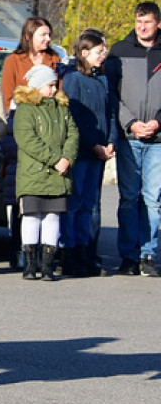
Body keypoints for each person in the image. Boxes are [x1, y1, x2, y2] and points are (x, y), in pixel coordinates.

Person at [104, 1, 161, 277]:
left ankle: (148, 254)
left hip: (158, 139)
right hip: (129, 137)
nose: (142, 26)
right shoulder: (119, 51)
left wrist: (157, 122)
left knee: (153, 199)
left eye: (147, 21)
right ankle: (128, 255)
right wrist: (131, 123)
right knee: (129, 198)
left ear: (158, 23)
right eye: (139, 21)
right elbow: (111, 94)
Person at [13, 65, 78, 282]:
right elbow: (28, 140)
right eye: (49, 85)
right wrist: (55, 160)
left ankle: (48, 264)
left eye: (54, 85)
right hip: (34, 174)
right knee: (32, 216)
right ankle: (30, 264)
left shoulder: (62, 108)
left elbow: (73, 134)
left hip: (58, 175)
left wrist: (67, 158)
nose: (53, 89)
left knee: (52, 217)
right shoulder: (25, 110)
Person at [60, 29, 115, 277]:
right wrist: (93, 144)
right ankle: (70, 252)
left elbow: (110, 113)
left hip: (100, 153)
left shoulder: (102, 79)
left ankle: (87, 250)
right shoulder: (73, 79)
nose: (102, 56)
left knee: (91, 205)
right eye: (98, 52)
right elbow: (75, 118)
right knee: (76, 202)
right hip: (83, 152)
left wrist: (110, 141)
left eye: (103, 52)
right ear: (84, 53)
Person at [1, 17, 61, 113]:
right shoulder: (13, 61)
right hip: (22, 117)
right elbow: (6, 96)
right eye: (43, 35)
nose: (48, 38)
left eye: (49, 35)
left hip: (48, 115)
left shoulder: (54, 59)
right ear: (28, 36)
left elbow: (59, 92)